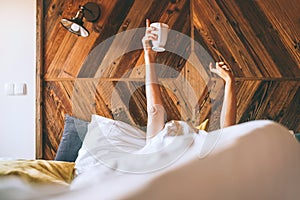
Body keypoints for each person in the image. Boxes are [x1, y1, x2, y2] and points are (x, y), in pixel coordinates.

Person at [142, 19, 237, 141]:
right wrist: (229, 82)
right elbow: (228, 136)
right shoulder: (158, 152)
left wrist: (148, 55)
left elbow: (154, 112)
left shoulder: (156, 153)